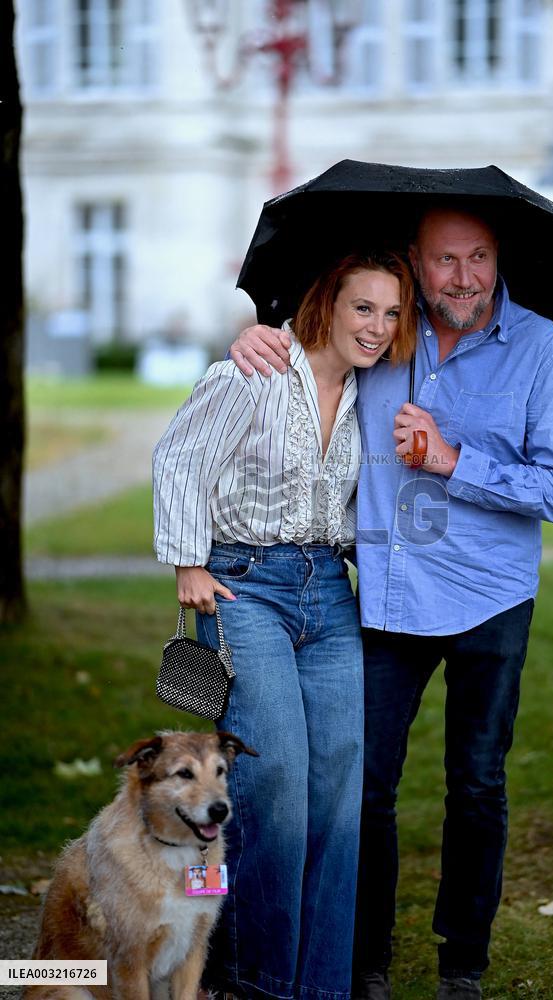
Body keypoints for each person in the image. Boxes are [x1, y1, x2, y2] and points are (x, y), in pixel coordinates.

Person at [228, 207, 553, 1000]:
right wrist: (258, 340)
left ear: (499, 261)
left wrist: (456, 460)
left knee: (477, 784)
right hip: (389, 594)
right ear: (416, 264)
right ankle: (366, 962)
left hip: (492, 596)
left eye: (479, 258)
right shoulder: (383, 331)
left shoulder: (537, 346)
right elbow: (312, 360)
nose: (463, 277)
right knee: (366, 787)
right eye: (444, 260)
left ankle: (462, 963)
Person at [152, 250, 417, 1000]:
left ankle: (322, 985)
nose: (377, 326)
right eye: (363, 307)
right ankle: (252, 979)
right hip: (246, 588)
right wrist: (186, 562)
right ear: (327, 302)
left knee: (338, 790)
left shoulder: (374, 393)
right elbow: (178, 457)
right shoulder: (254, 371)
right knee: (277, 784)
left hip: (329, 594)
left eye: (392, 313)